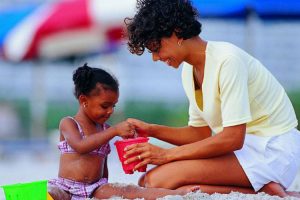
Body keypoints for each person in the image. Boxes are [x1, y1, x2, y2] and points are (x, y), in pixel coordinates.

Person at [123, 0, 300, 198]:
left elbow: (233, 138)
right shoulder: (189, 71)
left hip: (273, 150)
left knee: (155, 181)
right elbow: (200, 133)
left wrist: (166, 155)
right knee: (148, 182)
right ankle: (263, 188)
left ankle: (265, 185)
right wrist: (151, 130)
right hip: (245, 150)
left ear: (177, 32)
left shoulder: (227, 60)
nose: (155, 57)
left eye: (156, 48)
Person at [47, 63, 198, 200]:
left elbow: (103, 164)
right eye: (105, 106)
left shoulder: (104, 130)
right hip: (66, 187)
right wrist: (114, 130)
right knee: (53, 193)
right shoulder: (69, 123)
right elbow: (81, 146)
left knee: (129, 190)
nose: (110, 111)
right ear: (84, 101)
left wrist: (131, 141)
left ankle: (177, 194)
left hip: (95, 188)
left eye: (114, 106)